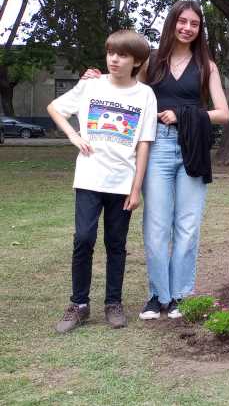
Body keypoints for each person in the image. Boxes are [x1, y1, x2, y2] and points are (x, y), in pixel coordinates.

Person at [84, 1, 229, 320]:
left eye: (194, 23)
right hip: (157, 147)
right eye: (182, 21)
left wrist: (183, 115)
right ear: (172, 23)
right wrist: (97, 78)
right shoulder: (152, 60)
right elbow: (125, 87)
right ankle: (157, 296)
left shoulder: (207, 66)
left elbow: (223, 113)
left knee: (188, 225)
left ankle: (180, 296)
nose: (187, 28)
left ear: (200, 29)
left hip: (192, 147)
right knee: (156, 226)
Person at [48, 30, 157, 333]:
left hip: (122, 182)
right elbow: (55, 108)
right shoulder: (91, 85)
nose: (114, 59)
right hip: (89, 178)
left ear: (137, 61)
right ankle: (79, 305)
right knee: (83, 239)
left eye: (122, 55)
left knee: (116, 244)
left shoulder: (145, 95)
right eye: (111, 53)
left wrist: (136, 188)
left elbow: (144, 144)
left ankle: (113, 303)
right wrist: (73, 136)